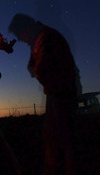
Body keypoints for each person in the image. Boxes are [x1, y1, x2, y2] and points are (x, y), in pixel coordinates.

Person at [8, 13, 81, 175]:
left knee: (60, 141)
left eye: (19, 35)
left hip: (61, 94)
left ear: (25, 28)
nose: (20, 39)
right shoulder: (41, 38)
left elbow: (43, 70)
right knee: (57, 140)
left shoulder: (46, 38)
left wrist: (35, 69)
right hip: (59, 93)